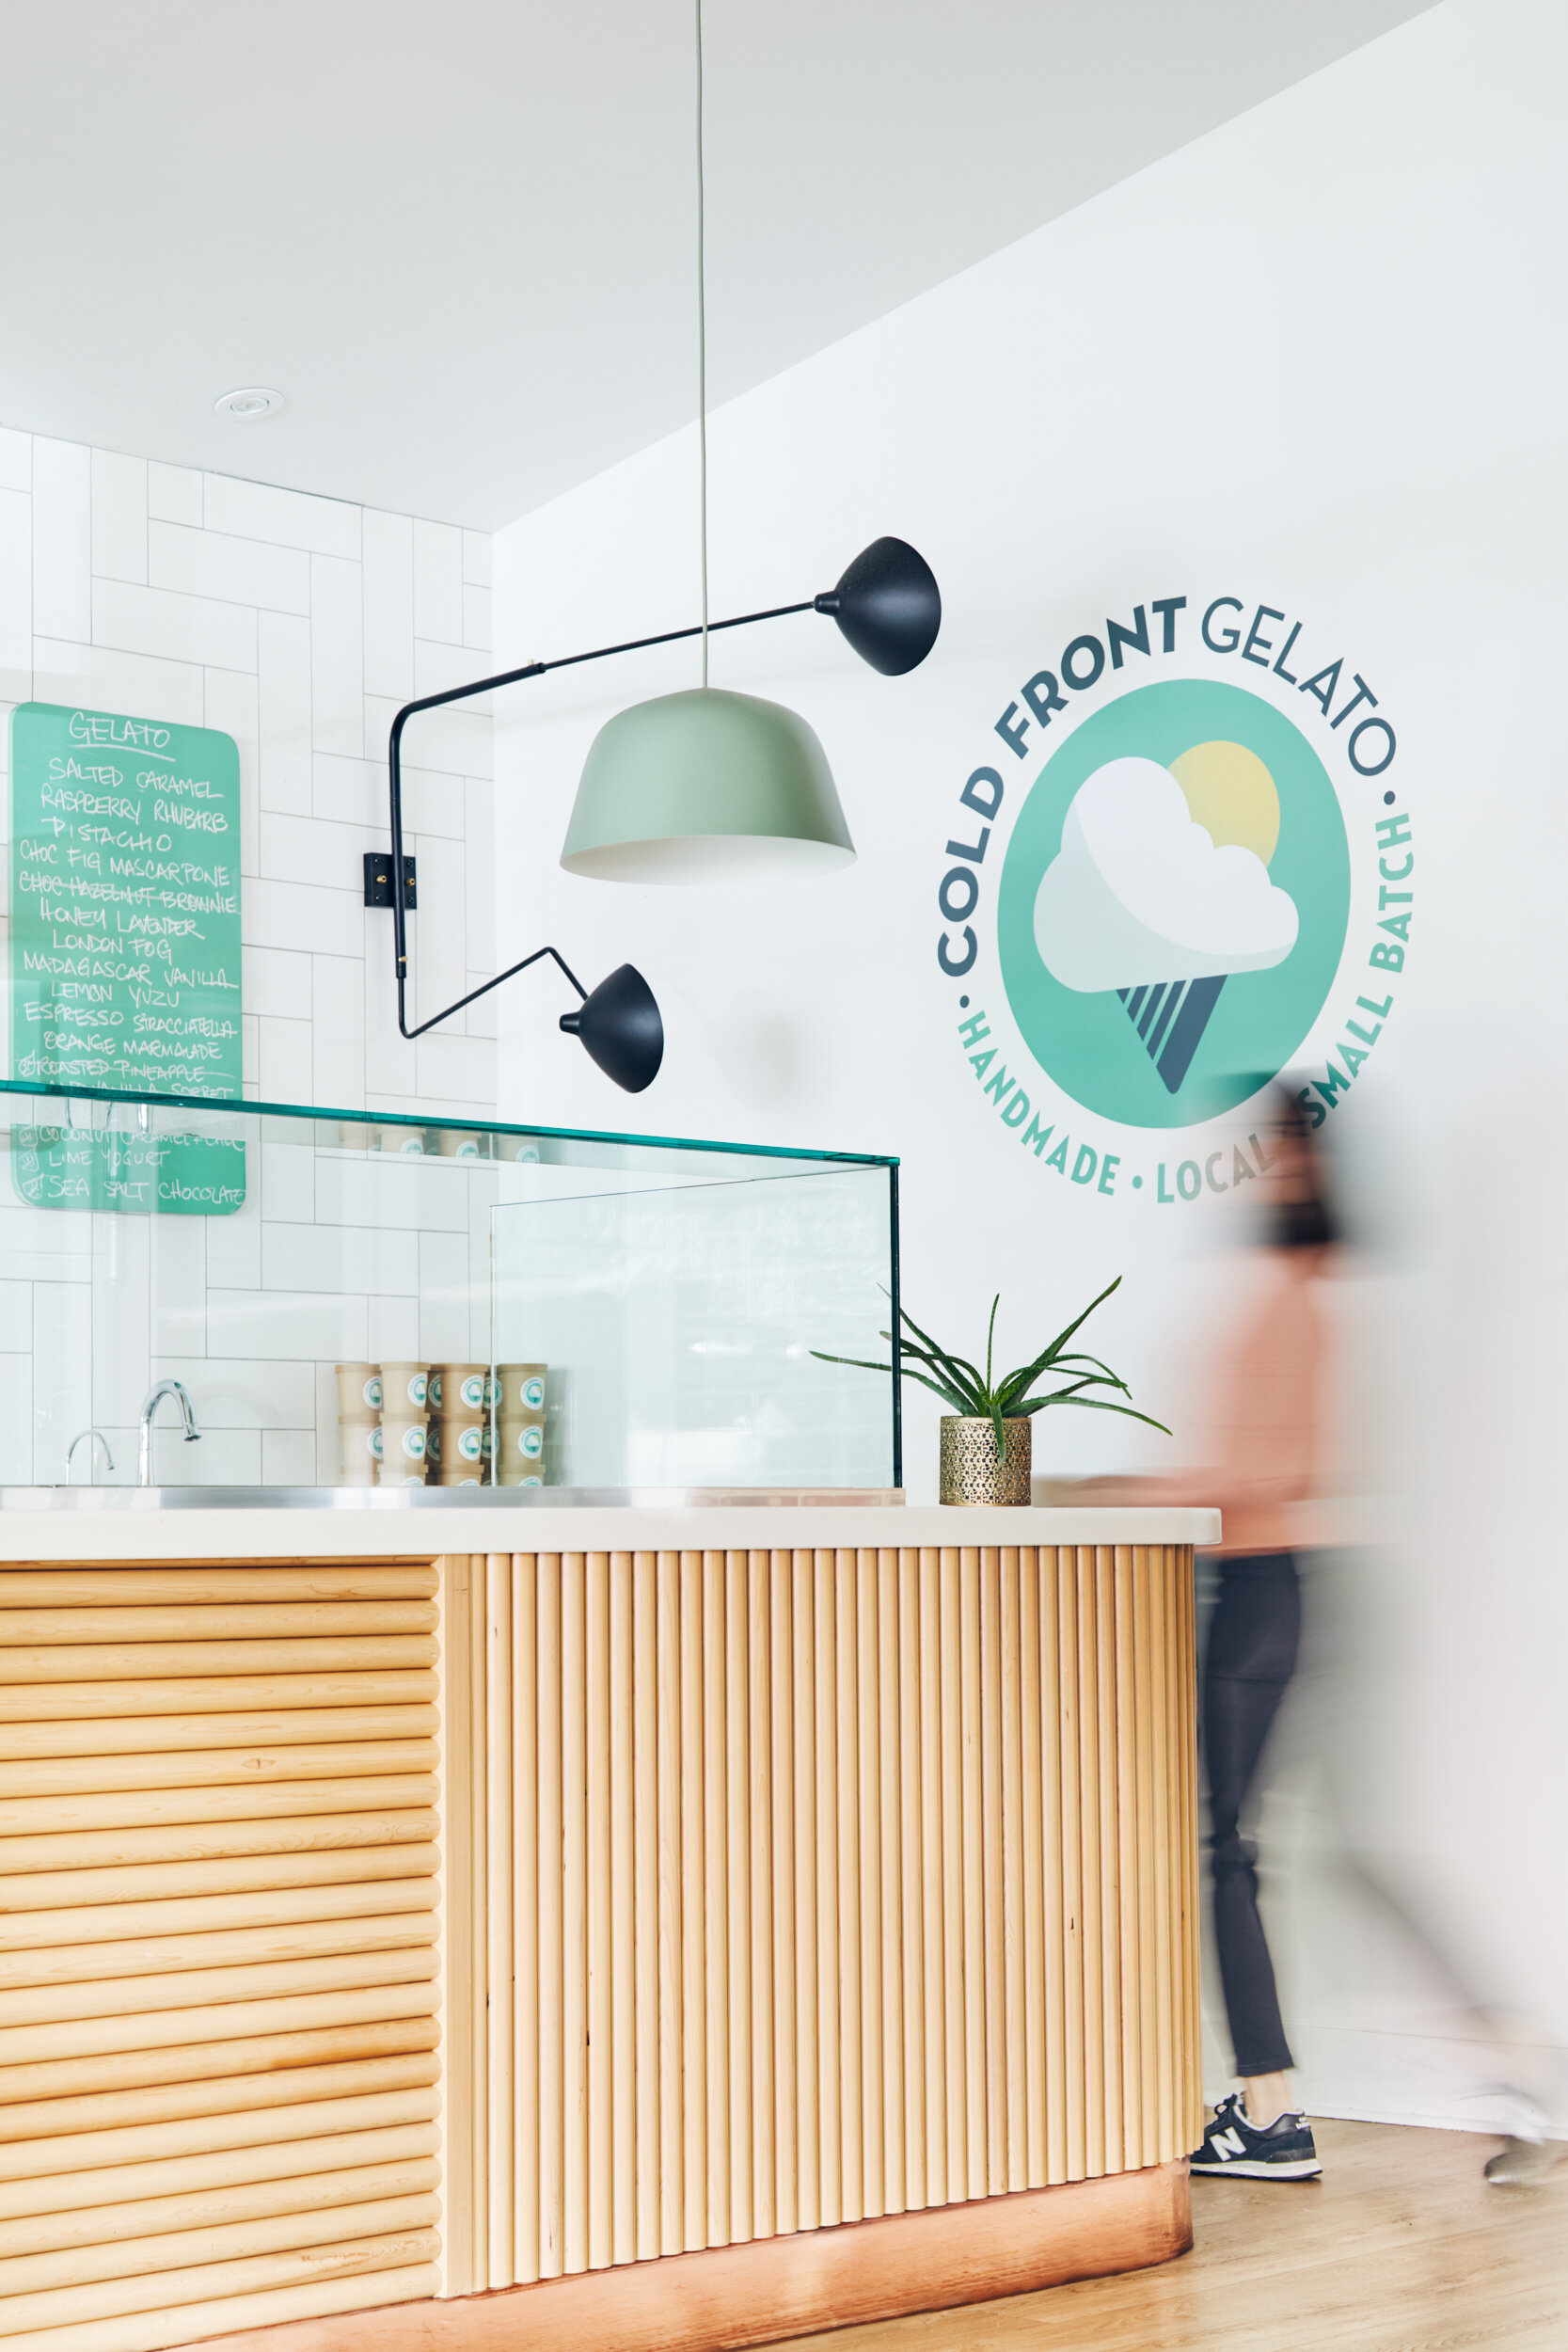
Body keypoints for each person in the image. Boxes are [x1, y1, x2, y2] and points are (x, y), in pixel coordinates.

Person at [1180, 1085, 1334, 2180]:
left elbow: (1267, 1473)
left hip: (1259, 1581)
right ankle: (1262, 2104)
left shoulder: (1291, 1301)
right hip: (1260, 1579)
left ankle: (1269, 2110)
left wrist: (1136, 1490)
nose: (1254, 1170)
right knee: (1226, 1844)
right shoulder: (1297, 1294)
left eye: (1266, 1151)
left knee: (1225, 1846)